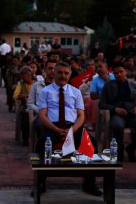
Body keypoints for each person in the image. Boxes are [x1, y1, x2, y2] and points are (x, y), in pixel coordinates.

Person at [36, 61, 102, 196]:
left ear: (70, 74)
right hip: (53, 127)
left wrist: (71, 131)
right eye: (60, 72)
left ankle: (89, 183)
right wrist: (56, 129)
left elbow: (81, 116)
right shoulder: (45, 91)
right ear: (54, 73)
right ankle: (40, 183)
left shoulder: (76, 92)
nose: (63, 76)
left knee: (92, 143)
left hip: (73, 128)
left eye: (66, 73)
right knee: (41, 144)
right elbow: (42, 115)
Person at [99, 61, 136, 162]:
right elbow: (101, 104)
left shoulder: (134, 86)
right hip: (117, 114)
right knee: (117, 126)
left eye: (121, 72)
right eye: (116, 73)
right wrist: (115, 109)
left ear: (126, 72)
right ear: (113, 74)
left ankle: (131, 149)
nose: (119, 74)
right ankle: (119, 150)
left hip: (132, 114)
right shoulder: (108, 85)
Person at [27, 60, 57, 137]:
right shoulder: (36, 85)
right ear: (45, 69)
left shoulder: (60, 87)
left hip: (55, 116)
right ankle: (42, 147)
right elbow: (30, 103)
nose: (52, 71)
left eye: (55, 69)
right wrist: (41, 111)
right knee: (40, 126)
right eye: (50, 68)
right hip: (39, 116)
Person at [13, 66, 34, 146]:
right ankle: (25, 138)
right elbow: (15, 95)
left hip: (37, 104)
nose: (24, 79)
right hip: (26, 104)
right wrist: (21, 96)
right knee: (25, 114)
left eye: (25, 77)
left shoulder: (37, 83)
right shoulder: (21, 84)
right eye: (22, 77)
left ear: (30, 75)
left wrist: (28, 95)